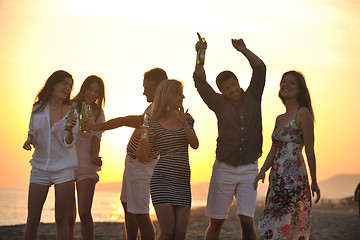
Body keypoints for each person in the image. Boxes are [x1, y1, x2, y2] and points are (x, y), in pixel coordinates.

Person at [193, 32, 266, 240]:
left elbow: (260, 68)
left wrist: (243, 50)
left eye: (233, 84)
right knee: (216, 222)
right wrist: (200, 53)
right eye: (226, 88)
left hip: (249, 168)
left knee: (247, 222)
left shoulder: (254, 96)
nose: (232, 89)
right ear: (221, 92)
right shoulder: (218, 104)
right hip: (224, 168)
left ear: (238, 82)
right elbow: (199, 81)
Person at [83, 68, 168, 240]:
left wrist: (95, 126)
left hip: (142, 165)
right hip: (132, 162)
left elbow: (125, 121)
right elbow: (125, 121)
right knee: (127, 205)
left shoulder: (161, 111)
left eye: (148, 88)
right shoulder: (153, 107)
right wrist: (96, 126)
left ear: (160, 88)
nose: (144, 91)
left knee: (141, 214)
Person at [254, 70, 321, 239]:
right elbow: (274, 149)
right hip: (277, 177)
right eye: (283, 81)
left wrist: (314, 181)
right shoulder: (279, 118)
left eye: (291, 82)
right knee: (270, 220)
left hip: (293, 177)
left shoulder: (303, 113)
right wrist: (262, 171)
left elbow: (310, 149)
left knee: (287, 222)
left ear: (300, 89)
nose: (285, 85)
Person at [136, 79, 199, 240]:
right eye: (179, 94)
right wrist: (143, 137)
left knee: (180, 233)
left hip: (183, 183)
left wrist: (184, 124)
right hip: (162, 182)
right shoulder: (153, 122)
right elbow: (141, 157)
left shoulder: (187, 119)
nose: (183, 97)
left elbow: (195, 144)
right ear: (169, 95)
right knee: (168, 232)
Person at [22, 70, 78, 240]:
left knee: (61, 220)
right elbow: (31, 131)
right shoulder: (37, 108)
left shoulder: (72, 112)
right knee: (32, 220)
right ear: (53, 83)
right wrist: (29, 140)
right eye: (64, 83)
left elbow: (70, 143)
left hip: (64, 169)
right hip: (39, 168)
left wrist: (69, 129)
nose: (68, 88)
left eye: (70, 85)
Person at [69, 75, 106, 240]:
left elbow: (96, 139)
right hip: (67, 165)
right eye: (90, 89)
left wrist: (94, 157)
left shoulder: (99, 113)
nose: (92, 93)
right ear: (84, 88)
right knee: (69, 215)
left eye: (96, 91)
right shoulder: (69, 106)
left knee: (84, 212)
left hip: (86, 166)